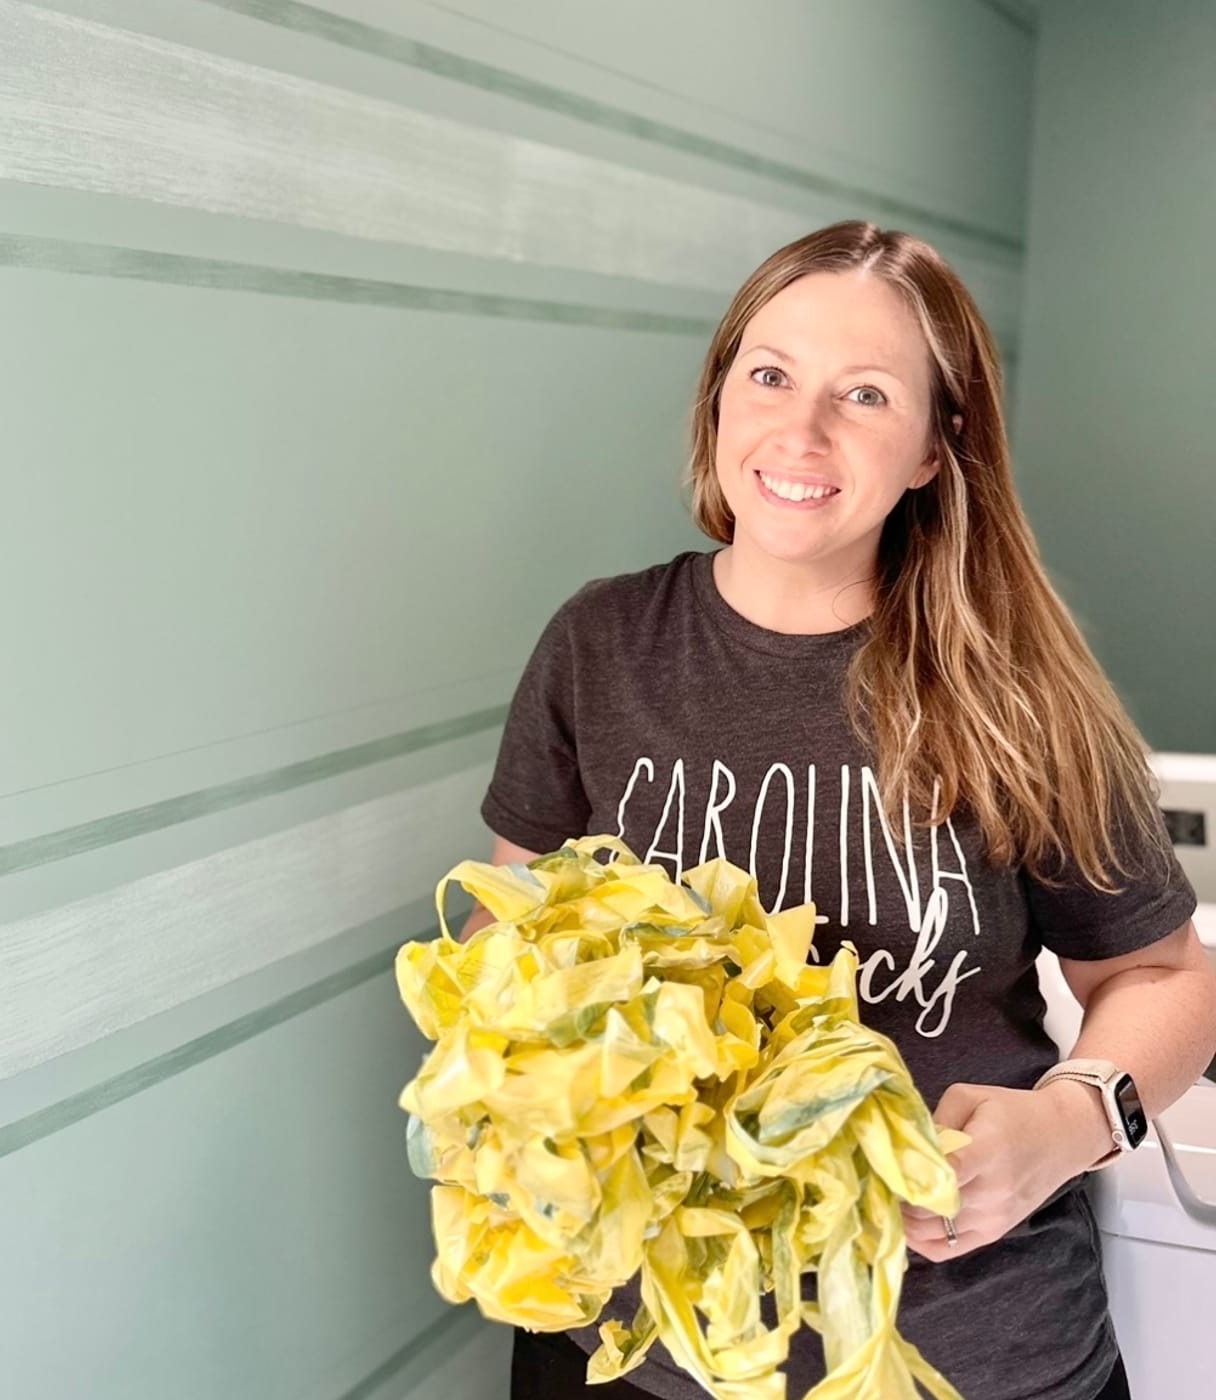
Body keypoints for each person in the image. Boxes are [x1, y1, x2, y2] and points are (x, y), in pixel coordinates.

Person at [461, 220, 1216, 1400]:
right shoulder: (599, 647)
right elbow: (502, 929)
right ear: (719, 401)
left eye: (863, 395)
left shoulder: (1019, 694)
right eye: (769, 376)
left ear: (932, 447)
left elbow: (1167, 976)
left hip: (966, 1353)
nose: (799, 432)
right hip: (634, 1349)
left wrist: (1069, 1121)